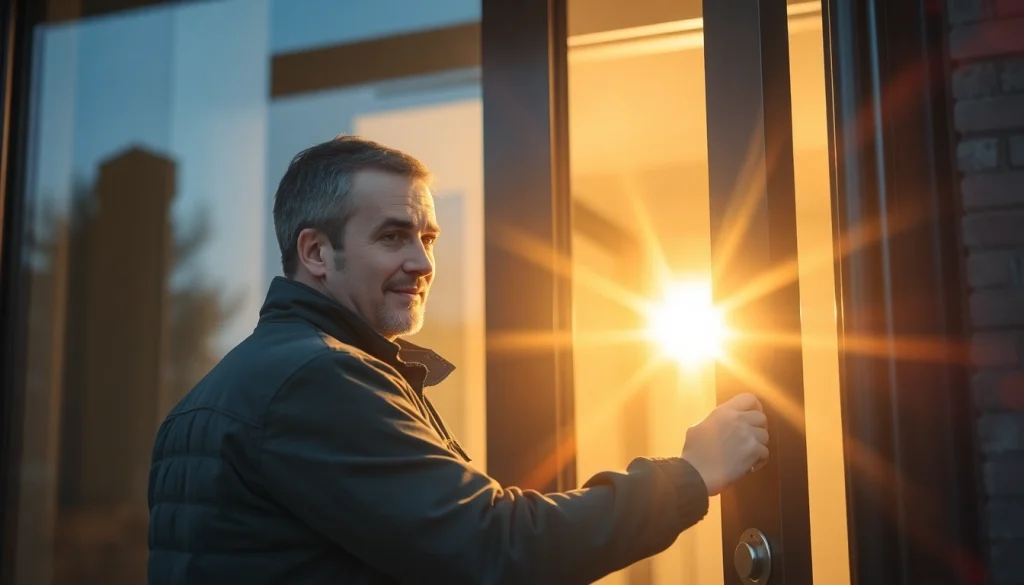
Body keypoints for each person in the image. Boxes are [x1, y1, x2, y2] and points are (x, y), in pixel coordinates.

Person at [147, 135, 770, 585]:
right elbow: (494, 547)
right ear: (316, 251)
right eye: (393, 236)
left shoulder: (225, 391)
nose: (421, 263)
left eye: (428, 238)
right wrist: (689, 475)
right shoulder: (316, 378)